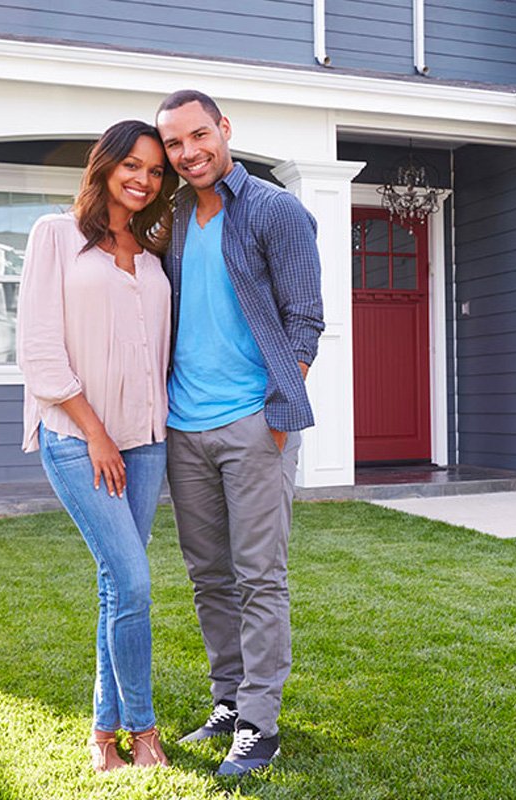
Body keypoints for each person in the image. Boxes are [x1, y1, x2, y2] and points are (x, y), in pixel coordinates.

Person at [154, 89, 324, 777]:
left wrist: (278, 412)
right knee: (208, 577)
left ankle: (259, 722)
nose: (189, 152)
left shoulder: (275, 210)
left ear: (224, 130)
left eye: (199, 135)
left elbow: (305, 319)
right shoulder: (171, 218)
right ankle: (227, 700)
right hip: (183, 426)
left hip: (253, 424)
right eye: (174, 143)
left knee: (259, 577)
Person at [18, 120, 178, 772]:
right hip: (79, 441)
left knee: (119, 587)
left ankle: (100, 737)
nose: (143, 179)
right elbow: (39, 351)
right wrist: (95, 433)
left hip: (146, 443)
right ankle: (143, 733)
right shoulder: (55, 236)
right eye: (132, 165)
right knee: (134, 583)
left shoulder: (151, 253)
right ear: (106, 165)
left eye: (155, 170)